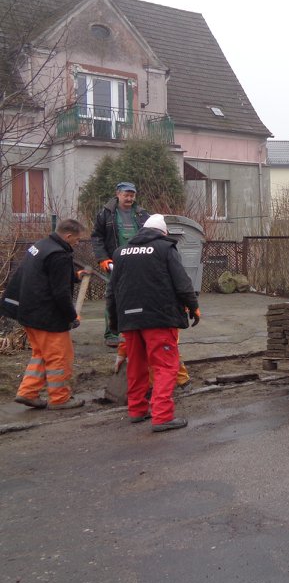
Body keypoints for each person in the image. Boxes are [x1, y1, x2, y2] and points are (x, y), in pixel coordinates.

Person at [106, 214, 200, 432]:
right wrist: (193, 307)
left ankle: (137, 410)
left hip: (129, 320)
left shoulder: (120, 252)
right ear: (163, 232)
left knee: (136, 366)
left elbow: (111, 291)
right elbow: (182, 283)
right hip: (158, 318)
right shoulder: (165, 248)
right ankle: (162, 416)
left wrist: (115, 322)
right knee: (165, 366)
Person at [5, 219, 87, 410]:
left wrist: (74, 276)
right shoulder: (59, 255)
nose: (77, 243)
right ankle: (60, 398)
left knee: (41, 355)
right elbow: (60, 292)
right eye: (77, 239)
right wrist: (71, 316)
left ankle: (28, 392)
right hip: (47, 317)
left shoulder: (40, 246)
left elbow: (43, 275)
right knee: (60, 357)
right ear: (68, 236)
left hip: (28, 313)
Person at [92, 182, 150, 346]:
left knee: (140, 296)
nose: (130, 198)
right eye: (126, 195)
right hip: (115, 263)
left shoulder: (142, 214)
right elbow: (97, 237)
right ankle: (112, 334)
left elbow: (151, 234)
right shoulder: (106, 214)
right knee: (114, 297)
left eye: (132, 195)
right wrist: (102, 258)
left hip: (138, 262)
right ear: (118, 194)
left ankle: (137, 330)